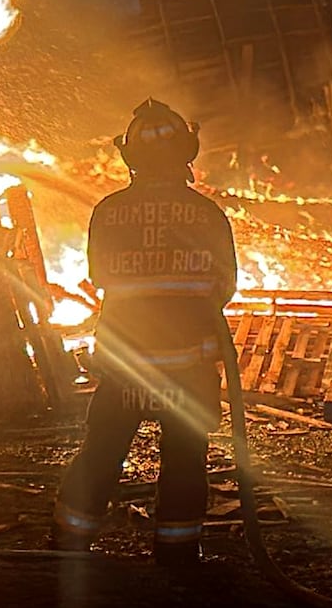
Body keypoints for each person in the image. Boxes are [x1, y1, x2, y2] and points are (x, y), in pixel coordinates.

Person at [52, 98, 238, 565]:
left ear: (129, 156)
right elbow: (224, 287)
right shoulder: (209, 215)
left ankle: (70, 543)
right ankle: (176, 553)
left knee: (102, 452)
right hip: (187, 369)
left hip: (124, 368)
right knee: (183, 459)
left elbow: (100, 275)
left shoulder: (108, 212)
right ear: (187, 154)